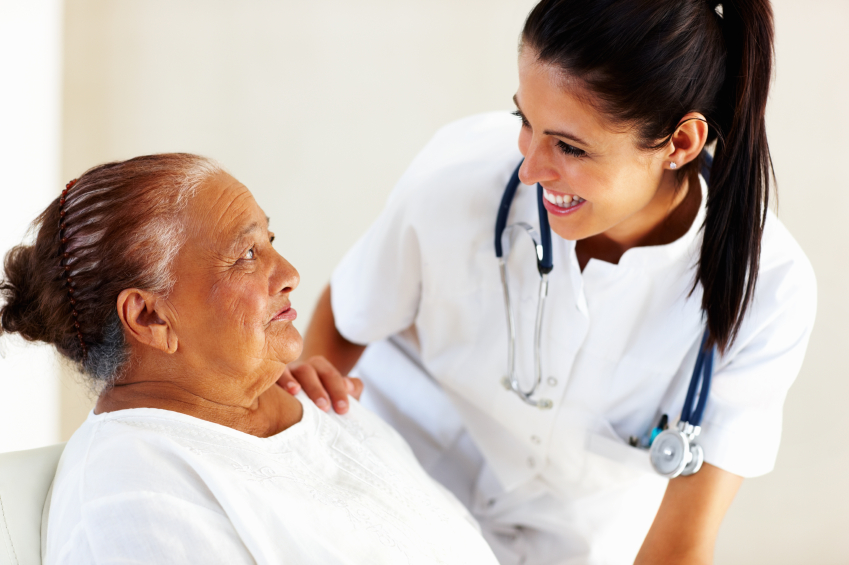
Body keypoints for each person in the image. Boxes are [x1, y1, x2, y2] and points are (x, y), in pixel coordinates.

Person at [287, 0, 817, 563]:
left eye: (569, 146)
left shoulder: (769, 292)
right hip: (399, 465)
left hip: (565, 543)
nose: (530, 169)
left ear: (680, 143)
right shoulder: (458, 175)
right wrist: (306, 470)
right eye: (524, 121)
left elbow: (680, 545)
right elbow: (347, 318)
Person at [0, 154, 501, 565]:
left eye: (271, 242)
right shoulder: (130, 500)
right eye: (245, 255)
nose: (289, 273)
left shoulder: (311, 401)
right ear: (150, 317)